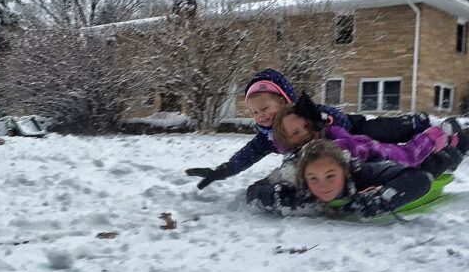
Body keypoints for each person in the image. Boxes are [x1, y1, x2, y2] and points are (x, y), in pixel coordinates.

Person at [185, 68, 432, 190]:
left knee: (383, 131)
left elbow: (338, 120)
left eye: (265, 108)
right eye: (255, 113)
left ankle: (415, 123)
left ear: (282, 101)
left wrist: (322, 121)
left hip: (352, 129)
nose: (261, 116)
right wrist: (223, 171)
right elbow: (246, 156)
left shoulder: (303, 112)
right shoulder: (268, 138)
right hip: (333, 156)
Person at [272, 102, 459, 168]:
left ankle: (437, 135)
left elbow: (353, 144)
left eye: (306, 126)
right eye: (295, 132)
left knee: (409, 155)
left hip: (370, 151)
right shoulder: (295, 157)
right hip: (365, 161)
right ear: (287, 140)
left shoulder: (332, 136)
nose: (305, 133)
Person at [281, 139, 431, 218]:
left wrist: (379, 200)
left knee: (435, 165)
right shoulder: (300, 184)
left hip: (384, 161)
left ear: (344, 170)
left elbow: (419, 177)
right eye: (313, 178)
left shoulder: (361, 173)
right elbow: (260, 190)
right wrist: (279, 196)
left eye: (330, 176)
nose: (323, 186)